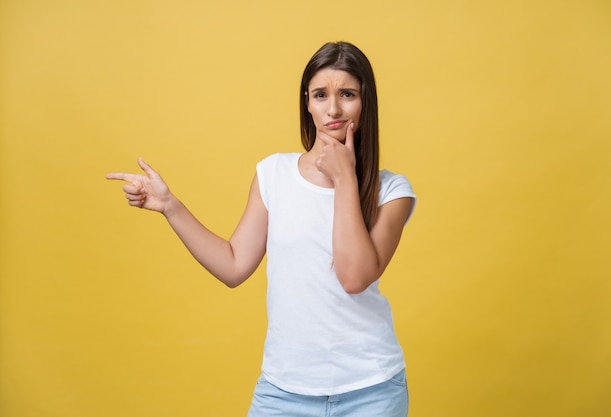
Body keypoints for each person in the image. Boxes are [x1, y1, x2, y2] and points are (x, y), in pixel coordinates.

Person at [107, 41, 416, 417]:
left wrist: (345, 179)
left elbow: (354, 278)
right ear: (307, 102)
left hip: (371, 390)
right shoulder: (273, 174)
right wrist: (170, 206)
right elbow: (234, 266)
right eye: (321, 95)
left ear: (366, 101)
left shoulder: (392, 192)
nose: (333, 109)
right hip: (283, 393)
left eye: (347, 94)